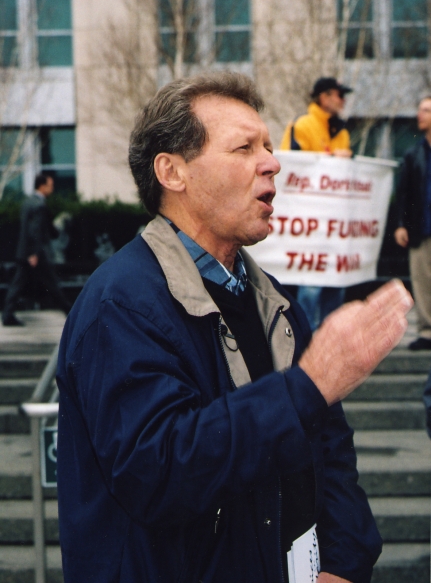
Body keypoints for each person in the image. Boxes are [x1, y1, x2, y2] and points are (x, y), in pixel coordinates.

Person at [56, 72, 412, 583]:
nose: (272, 162)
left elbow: (331, 452)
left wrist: (343, 563)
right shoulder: (121, 306)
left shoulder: (275, 301)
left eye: (266, 146)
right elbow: (160, 473)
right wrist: (307, 387)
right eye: (244, 148)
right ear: (172, 172)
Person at [280, 77, 353, 331]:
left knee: (335, 283)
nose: (343, 101)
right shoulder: (301, 125)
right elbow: (291, 168)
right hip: (309, 223)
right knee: (311, 284)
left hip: (333, 222)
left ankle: (331, 342)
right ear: (324, 97)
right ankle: (306, 342)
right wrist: (331, 157)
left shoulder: (341, 131)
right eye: (339, 95)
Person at [2, 173, 71, 326]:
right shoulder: (39, 205)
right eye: (50, 185)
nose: (52, 189)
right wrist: (33, 253)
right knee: (52, 283)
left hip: (25, 252)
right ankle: (70, 312)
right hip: (37, 254)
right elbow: (35, 230)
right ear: (42, 186)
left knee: (18, 284)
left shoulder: (27, 202)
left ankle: (7, 315)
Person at [394, 96, 431, 350]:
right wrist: (400, 224)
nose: (420, 114)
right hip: (421, 227)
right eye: (420, 109)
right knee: (422, 280)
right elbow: (403, 193)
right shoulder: (413, 153)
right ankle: (427, 332)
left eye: (426, 110)